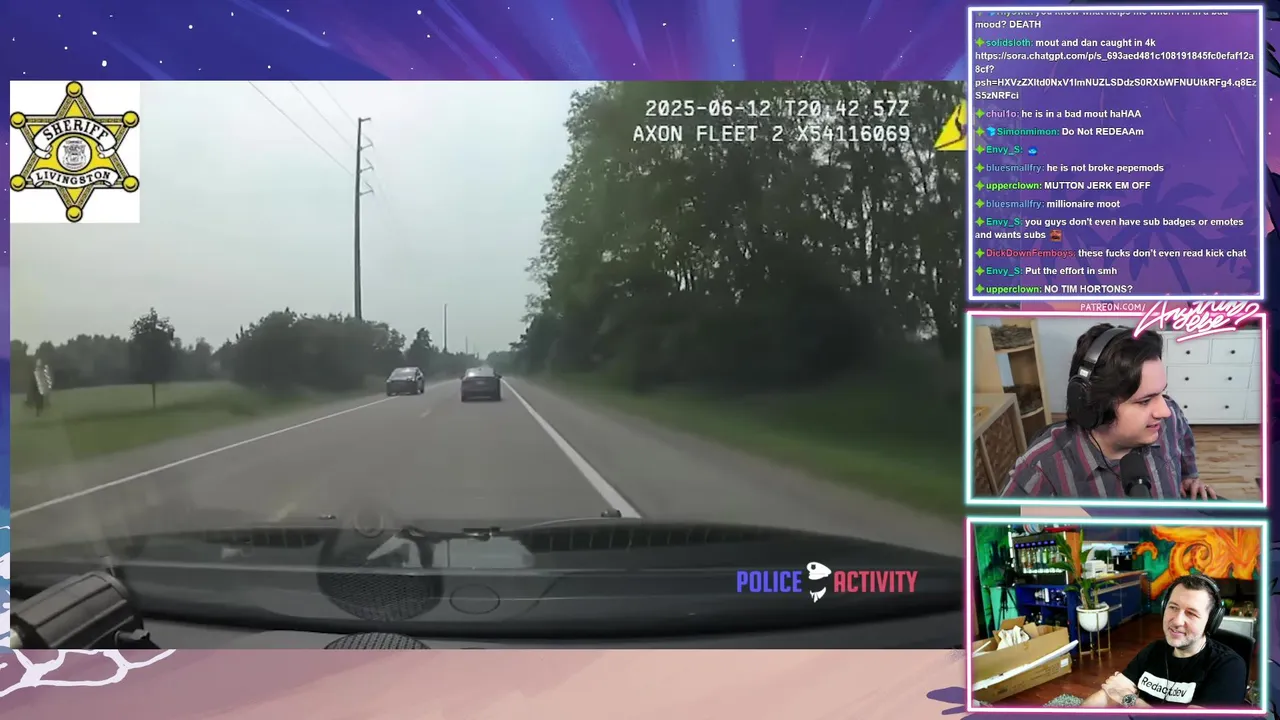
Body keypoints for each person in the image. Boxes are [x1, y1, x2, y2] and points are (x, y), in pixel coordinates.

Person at [999, 323, 1216, 499]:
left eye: (1162, 393)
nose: (1165, 411)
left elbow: (1184, 444)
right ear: (1092, 404)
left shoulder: (1171, 419)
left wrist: (1189, 476)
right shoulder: (1040, 470)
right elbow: (999, 533)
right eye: (1144, 401)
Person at [1081, 575, 1248, 708]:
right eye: (1173, 607)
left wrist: (1130, 700)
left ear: (1211, 621)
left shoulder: (1229, 666)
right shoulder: (1154, 650)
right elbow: (1109, 694)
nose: (1177, 621)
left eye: (1191, 613)